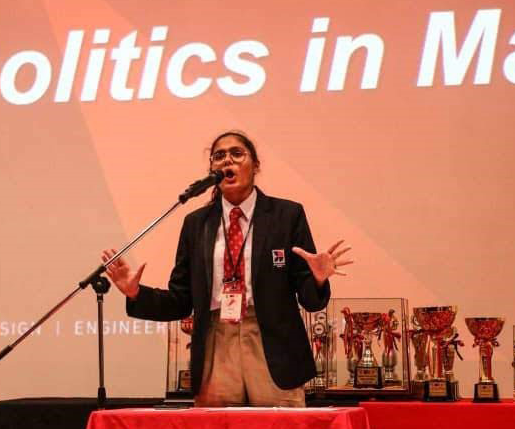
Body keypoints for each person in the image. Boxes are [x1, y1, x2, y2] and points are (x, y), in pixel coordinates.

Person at [102, 131, 353, 407]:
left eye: (236, 153)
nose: (227, 162)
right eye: (218, 156)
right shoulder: (196, 224)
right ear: (212, 170)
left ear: (255, 165)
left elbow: (309, 299)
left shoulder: (286, 215)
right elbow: (181, 300)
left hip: (271, 345)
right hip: (216, 342)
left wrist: (317, 280)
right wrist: (137, 293)